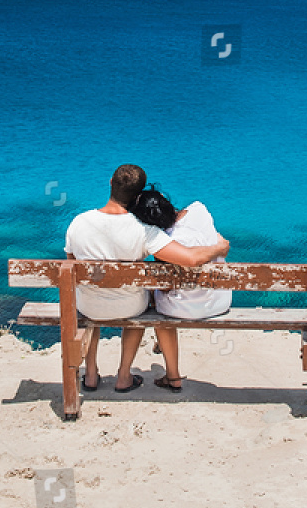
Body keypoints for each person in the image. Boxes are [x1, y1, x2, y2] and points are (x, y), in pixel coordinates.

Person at [64, 164, 229, 393]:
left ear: (111, 183)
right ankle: (123, 376)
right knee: (143, 306)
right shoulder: (144, 231)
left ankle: (90, 374)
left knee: (90, 307)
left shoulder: (78, 222)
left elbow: (72, 264)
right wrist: (219, 248)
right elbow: (190, 259)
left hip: (89, 305)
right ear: (138, 195)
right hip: (130, 307)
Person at [128, 187, 231, 392]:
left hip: (185, 309)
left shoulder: (165, 242)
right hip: (220, 300)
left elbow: (166, 287)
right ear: (165, 199)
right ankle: (162, 348)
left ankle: (173, 377)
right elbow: (215, 237)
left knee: (154, 300)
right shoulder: (199, 209)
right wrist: (219, 247)